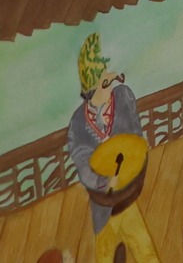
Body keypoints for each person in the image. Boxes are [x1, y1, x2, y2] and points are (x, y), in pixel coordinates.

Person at [68, 34, 162, 263]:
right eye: (104, 82)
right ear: (92, 89)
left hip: (127, 195)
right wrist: (103, 181)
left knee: (145, 252)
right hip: (103, 205)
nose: (110, 83)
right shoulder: (78, 123)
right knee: (105, 256)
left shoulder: (123, 98)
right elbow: (83, 165)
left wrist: (137, 153)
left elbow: (136, 134)